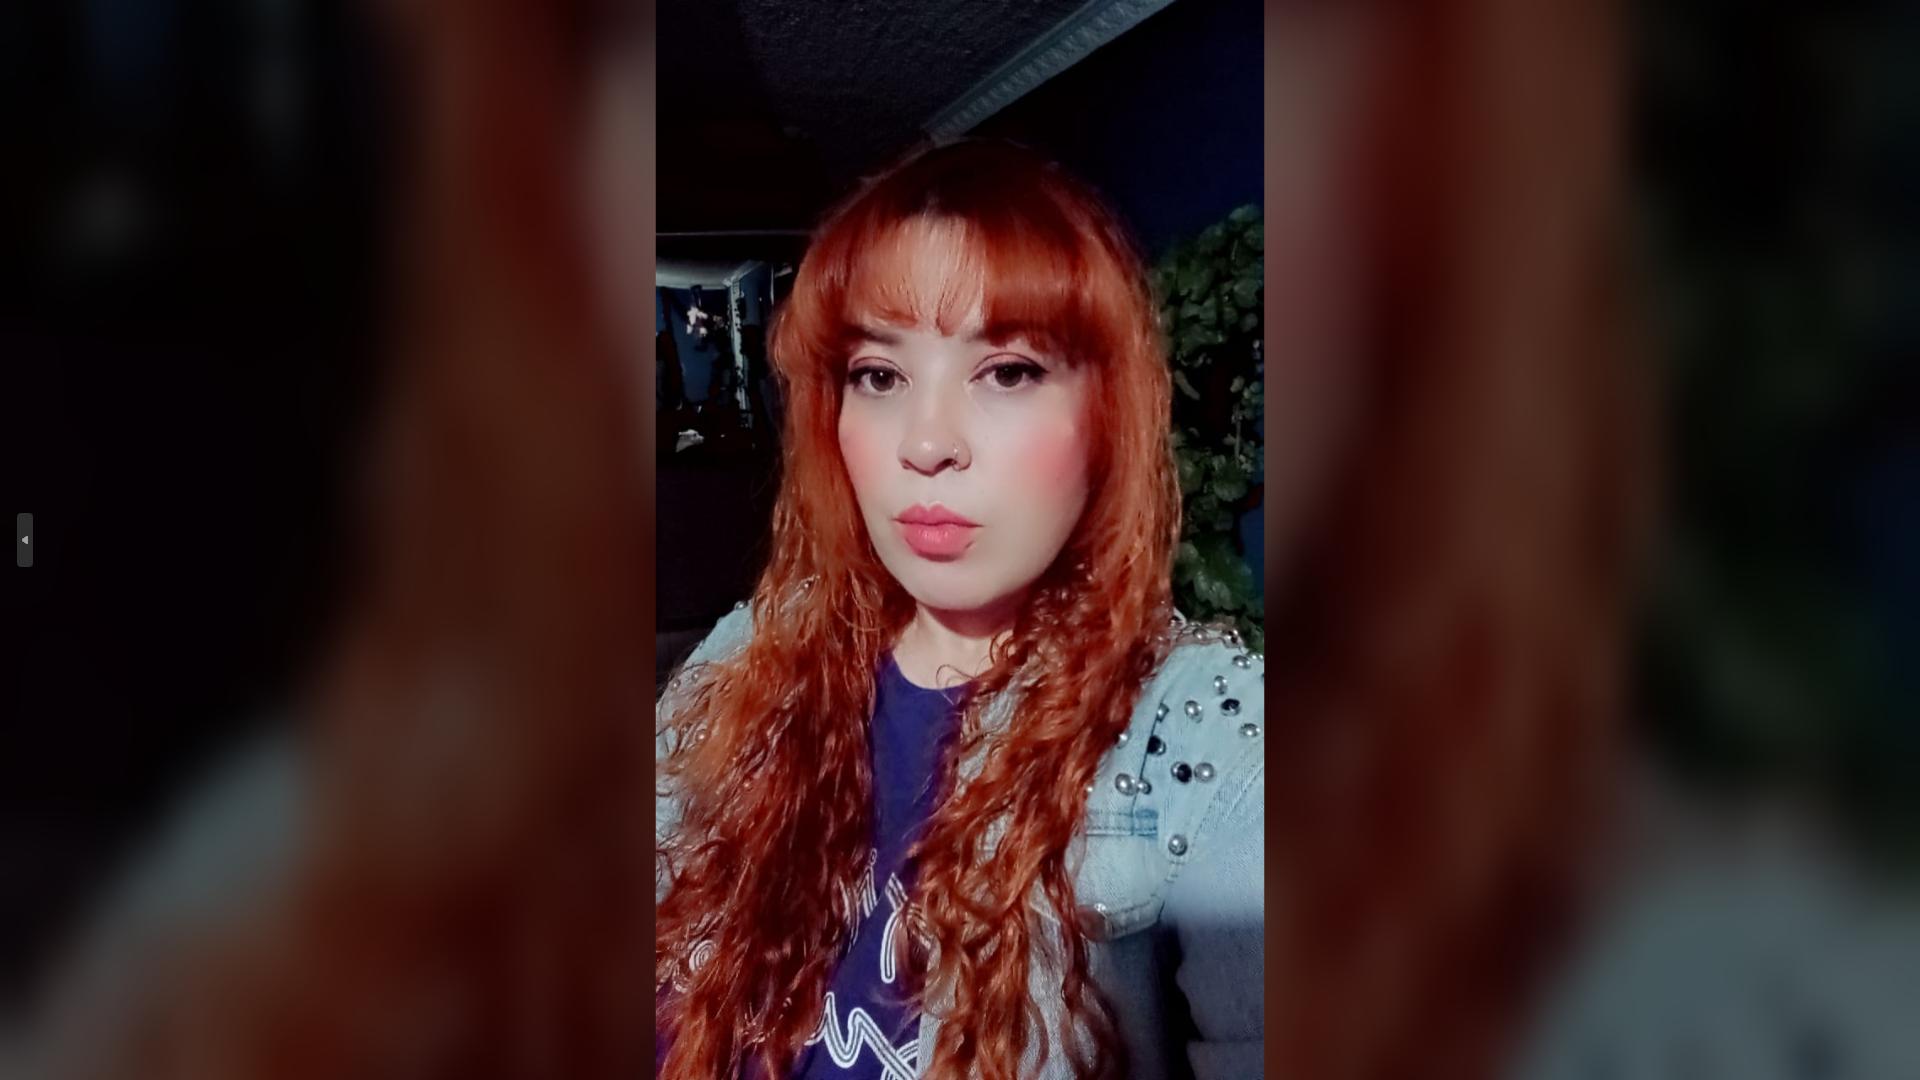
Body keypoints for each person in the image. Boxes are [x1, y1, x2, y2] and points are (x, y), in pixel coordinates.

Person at [652, 139, 1266, 1080]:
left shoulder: (1205, 737)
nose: (927, 442)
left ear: (1109, 412)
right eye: (879, 375)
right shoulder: (752, 650)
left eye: (1008, 371)